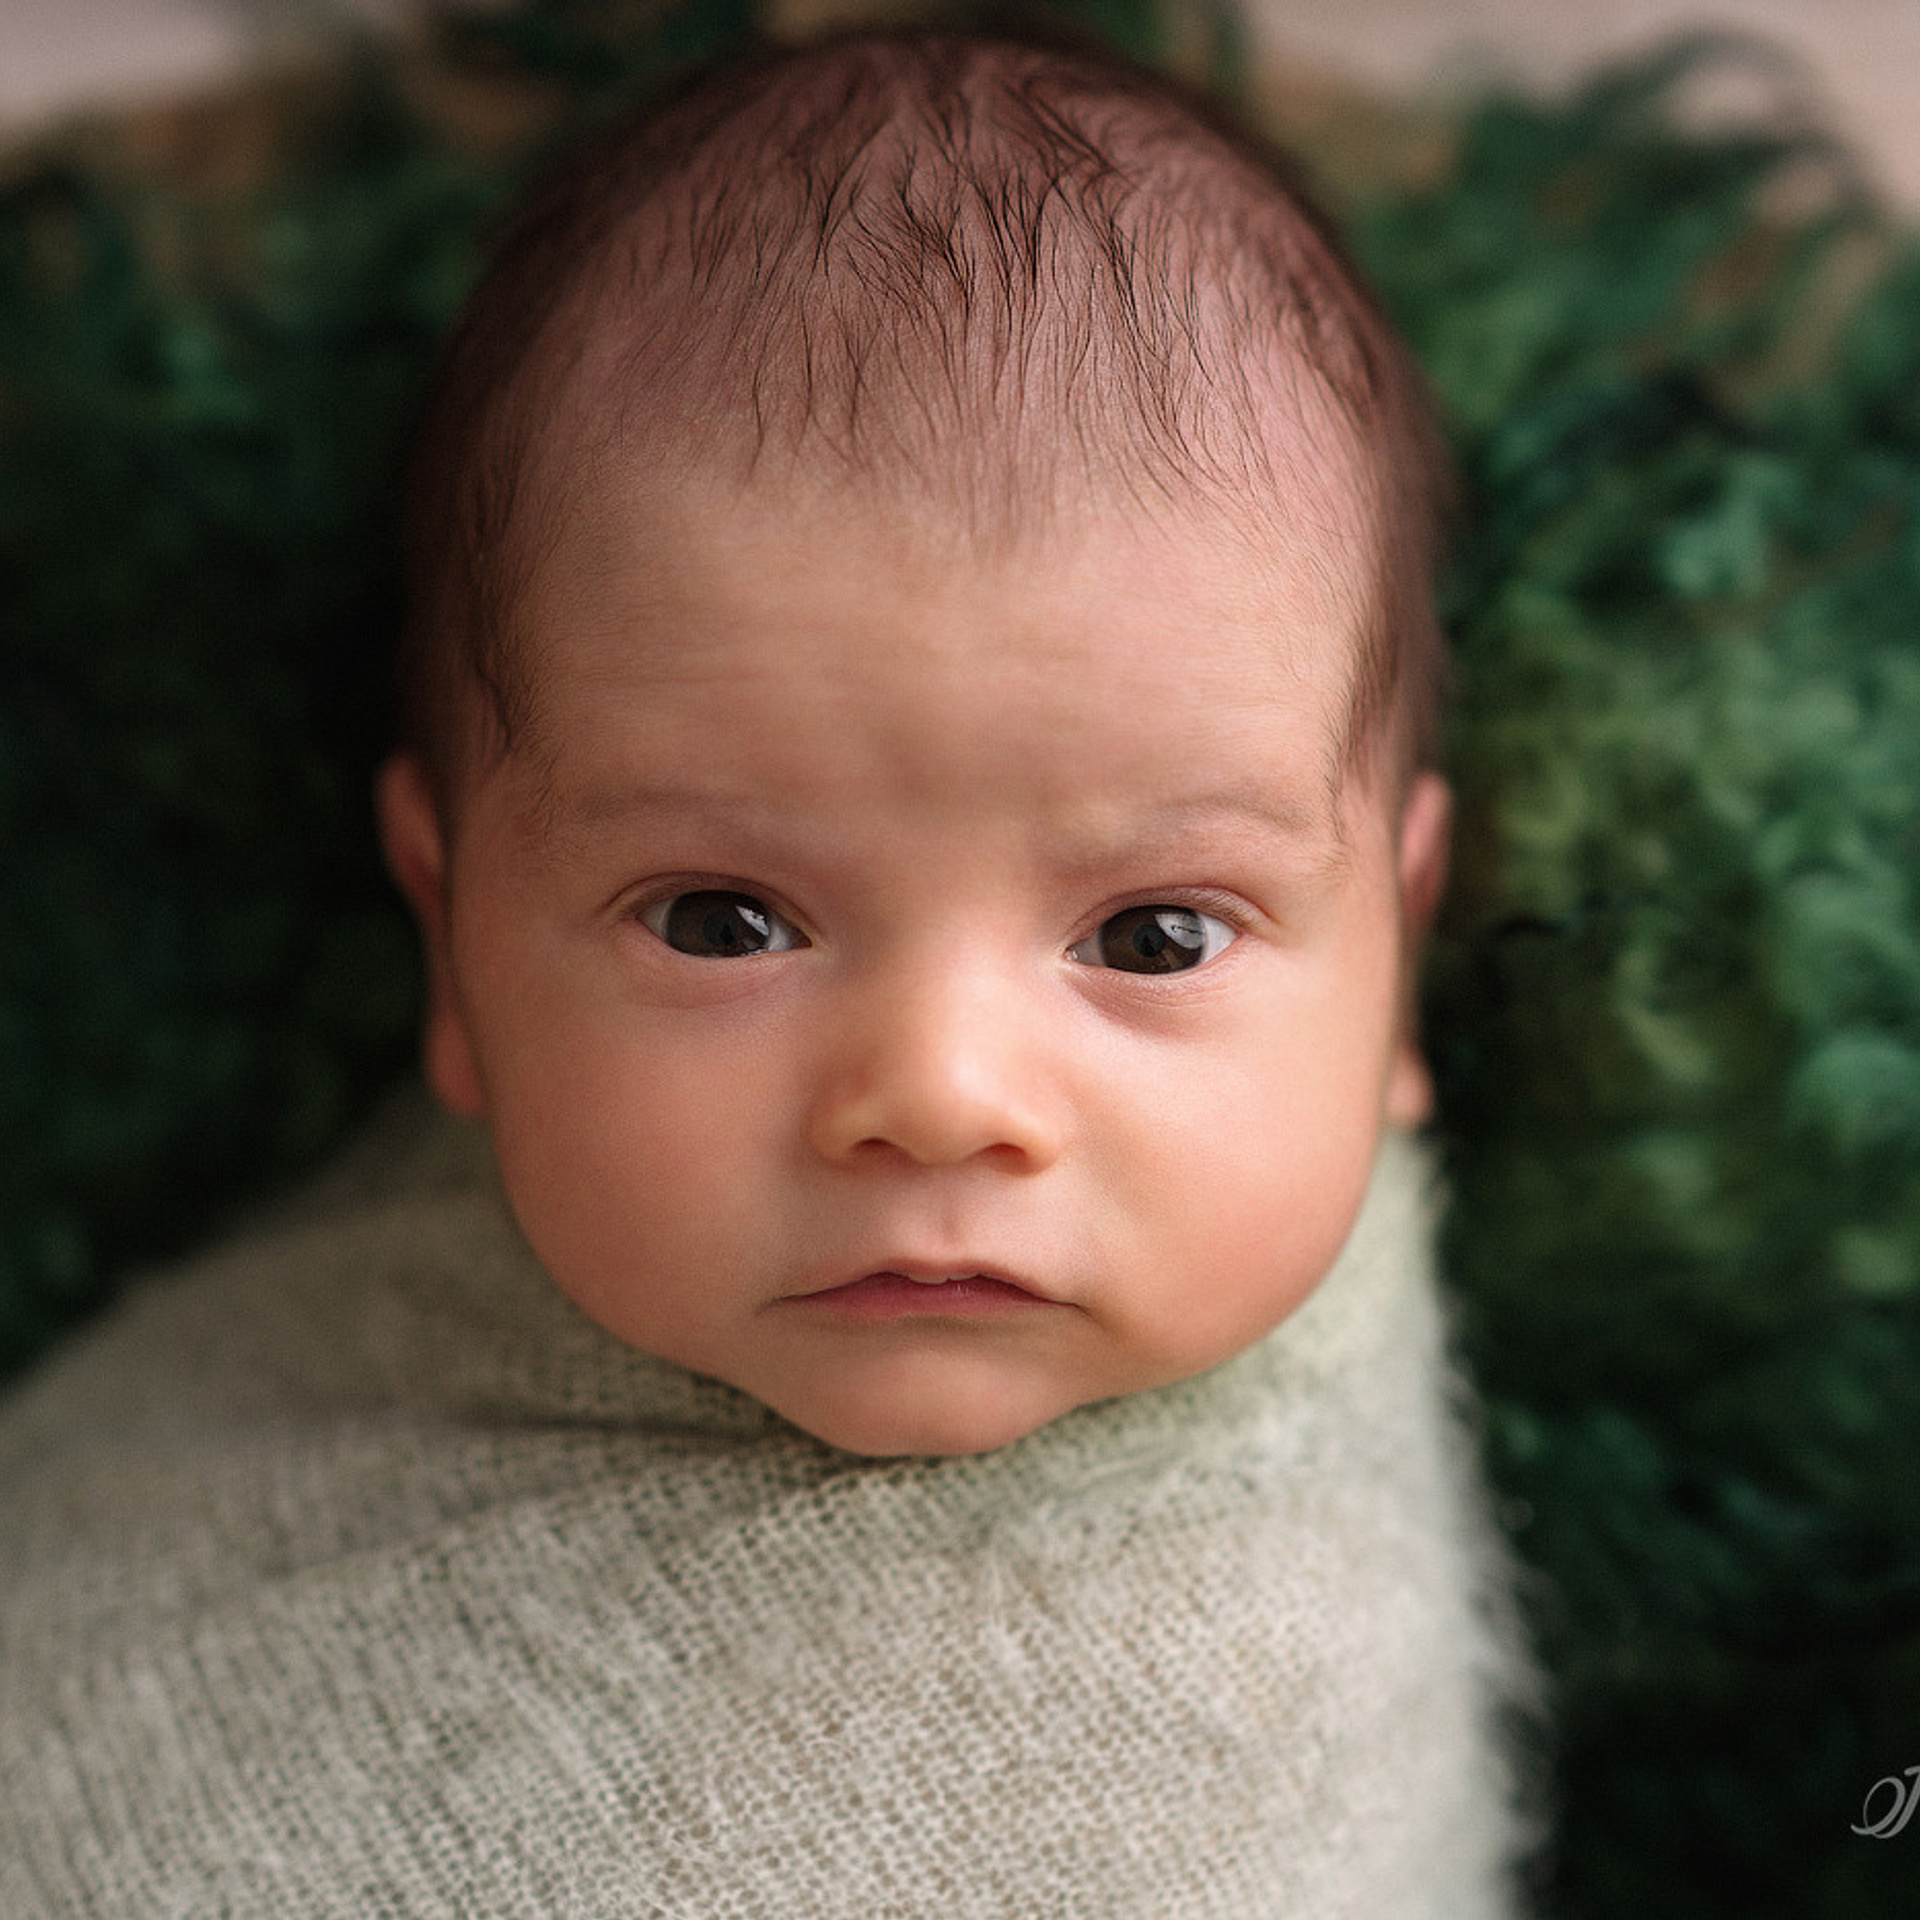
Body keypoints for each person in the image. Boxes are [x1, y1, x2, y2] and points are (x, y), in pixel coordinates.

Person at [0, 28, 1535, 1914]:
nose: (942, 1091)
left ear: (1398, 959)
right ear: (454, 943)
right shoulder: (309, 1383)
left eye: (1153, 936)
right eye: (725, 920)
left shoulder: (1246, 1723)